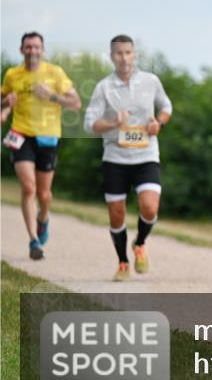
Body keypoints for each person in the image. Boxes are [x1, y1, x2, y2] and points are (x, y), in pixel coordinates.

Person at [84, 35, 173, 281]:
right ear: (112, 57)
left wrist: (159, 123)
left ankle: (140, 243)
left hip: (146, 155)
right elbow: (89, 124)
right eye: (118, 53)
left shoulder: (150, 81)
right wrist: (113, 122)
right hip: (115, 158)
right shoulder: (103, 87)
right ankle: (123, 262)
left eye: (128, 53)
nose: (124, 58)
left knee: (150, 206)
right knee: (116, 214)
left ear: (135, 55)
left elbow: (166, 107)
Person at [2, 32, 82, 260]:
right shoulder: (12, 75)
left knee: (44, 195)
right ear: (21, 50)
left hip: (48, 137)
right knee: (29, 188)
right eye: (28, 47)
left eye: (36, 47)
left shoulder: (54, 73)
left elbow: (76, 103)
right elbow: (2, 100)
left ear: (42, 50)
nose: (32, 51)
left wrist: (53, 97)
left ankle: (43, 219)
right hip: (21, 134)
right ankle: (33, 241)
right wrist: (4, 104)